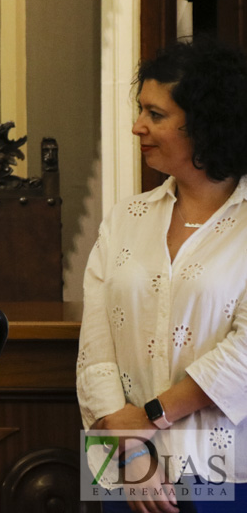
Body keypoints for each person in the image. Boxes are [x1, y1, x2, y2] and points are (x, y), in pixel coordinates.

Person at [77, 38, 247, 513]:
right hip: (125, 475)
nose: (138, 127)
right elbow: (95, 349)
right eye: (140, 111)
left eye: (155, 114)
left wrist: (150, 418)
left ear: (206, 121)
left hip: (226, 473)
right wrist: (129, 449)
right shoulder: (125, 218)